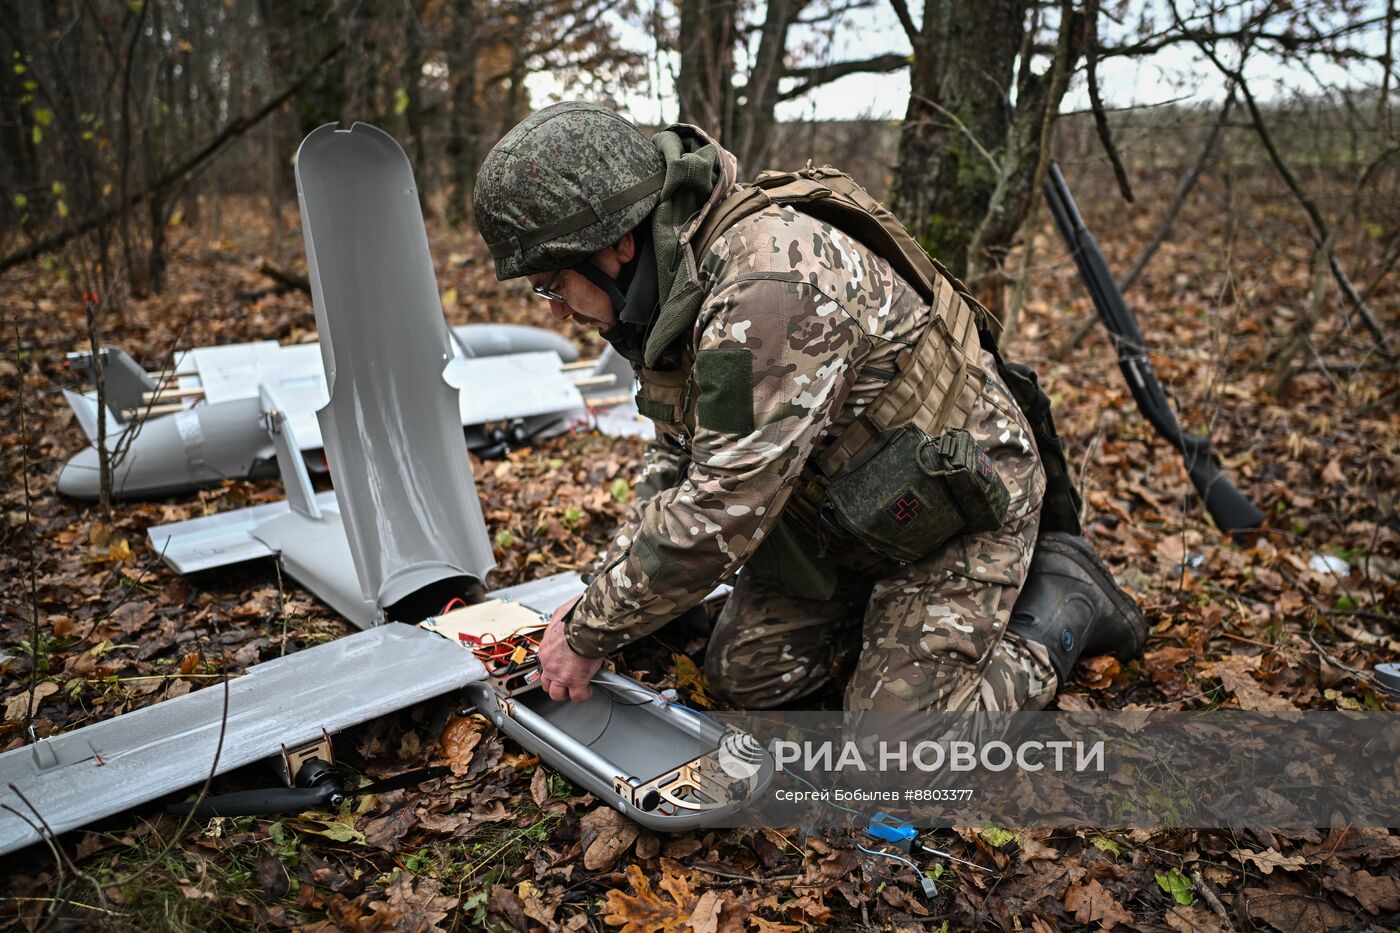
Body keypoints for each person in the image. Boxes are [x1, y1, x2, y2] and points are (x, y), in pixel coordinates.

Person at [472, 100, 1147, 713]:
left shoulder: (766, 286)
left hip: (959, 503)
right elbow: (681, 461)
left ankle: (1062, 601)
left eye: (554, 285)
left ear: (617, 244)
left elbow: (722, 505)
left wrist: (590, 630)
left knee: (896, 764)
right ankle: (894, 638)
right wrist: (599, 592)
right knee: (747, 676)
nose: (557, 310)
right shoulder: (669, 293)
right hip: (850, 511)